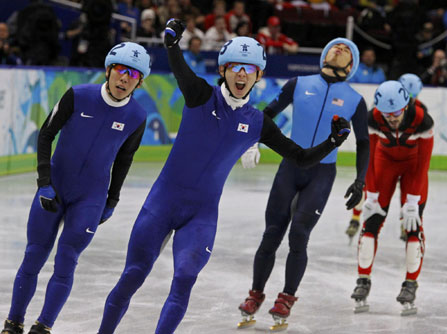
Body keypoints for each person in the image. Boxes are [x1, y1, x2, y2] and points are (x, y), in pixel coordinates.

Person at [96, 19, 351, 334]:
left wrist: (332, 142)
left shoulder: (259, 123)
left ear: (258, 75)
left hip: (201, 216)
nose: (241, 74)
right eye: (234, 67)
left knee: (184, 281)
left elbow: (300, 157)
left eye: (249, 69)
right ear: (222, 71)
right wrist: (172, 44)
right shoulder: (200, 95)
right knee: (133, 274)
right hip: (162, 204)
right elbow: (181, 69)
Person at [1, 42, 150, 334]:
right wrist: (44, 182)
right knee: (34, 255)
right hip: (54, 187)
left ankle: (43, 327)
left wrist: (112, 200)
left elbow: (124, 160)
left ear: (139, 81)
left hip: (90, 198)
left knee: (66, 261)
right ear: (108, 70)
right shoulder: (77, 96)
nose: (124, 79)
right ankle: (12, 322)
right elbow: (46, 136)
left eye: (132, 75)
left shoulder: (137, 116)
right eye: (120, 70)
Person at [238, 38, 369, 330]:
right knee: (271, 234)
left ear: (351, 65)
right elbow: (266, 115)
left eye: (346, 49)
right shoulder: (298, 83)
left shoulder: (355, 100)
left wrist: (360, 180)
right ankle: (255, 294)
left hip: (321, 174)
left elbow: (363, 143)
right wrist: (250, 142)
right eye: (334, 46)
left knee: (298, 234)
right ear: (324, 55)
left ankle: (286, 298)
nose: (338, 48)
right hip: (290, 167)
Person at [350, 80, 433, 316]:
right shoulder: (372, 118)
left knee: (413, 224)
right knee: (371, 224)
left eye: (396, 113)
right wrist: (372, 194)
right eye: (387, 114)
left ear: (405, 106)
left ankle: (410, 283)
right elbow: (368, 154)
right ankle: (363, 280)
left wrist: (412, 201)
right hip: (383, 165)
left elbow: (423, 165)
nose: (392, 118)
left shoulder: (422, 119)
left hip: (412, 168)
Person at [345, 73, 426, 242]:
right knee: (368, 185)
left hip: (404, 157)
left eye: (414, 97)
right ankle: (356, 217)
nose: (411, 100)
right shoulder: (384, 104)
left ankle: (405, 223)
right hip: (385, 155)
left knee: (407, 190)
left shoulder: (420, 110)